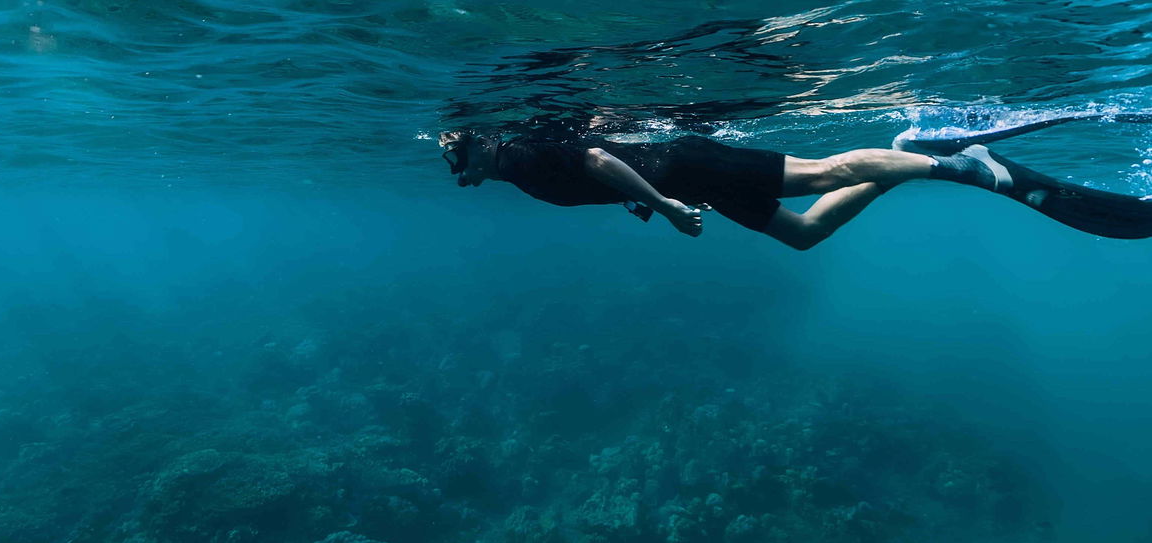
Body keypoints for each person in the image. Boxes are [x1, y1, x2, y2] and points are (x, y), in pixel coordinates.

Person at [439, 129, 1151, 248]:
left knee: (825, 174)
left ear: (478, 148)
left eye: (456, 162)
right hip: (689, 180)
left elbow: (596, 158)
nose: (459, 176)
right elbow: (600, 172)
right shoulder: (519, 170)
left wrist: (661, 204)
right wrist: (643, 196)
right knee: (805, 234)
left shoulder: (519, 155)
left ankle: (964, 168)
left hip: (695, 171)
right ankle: (910, 157)